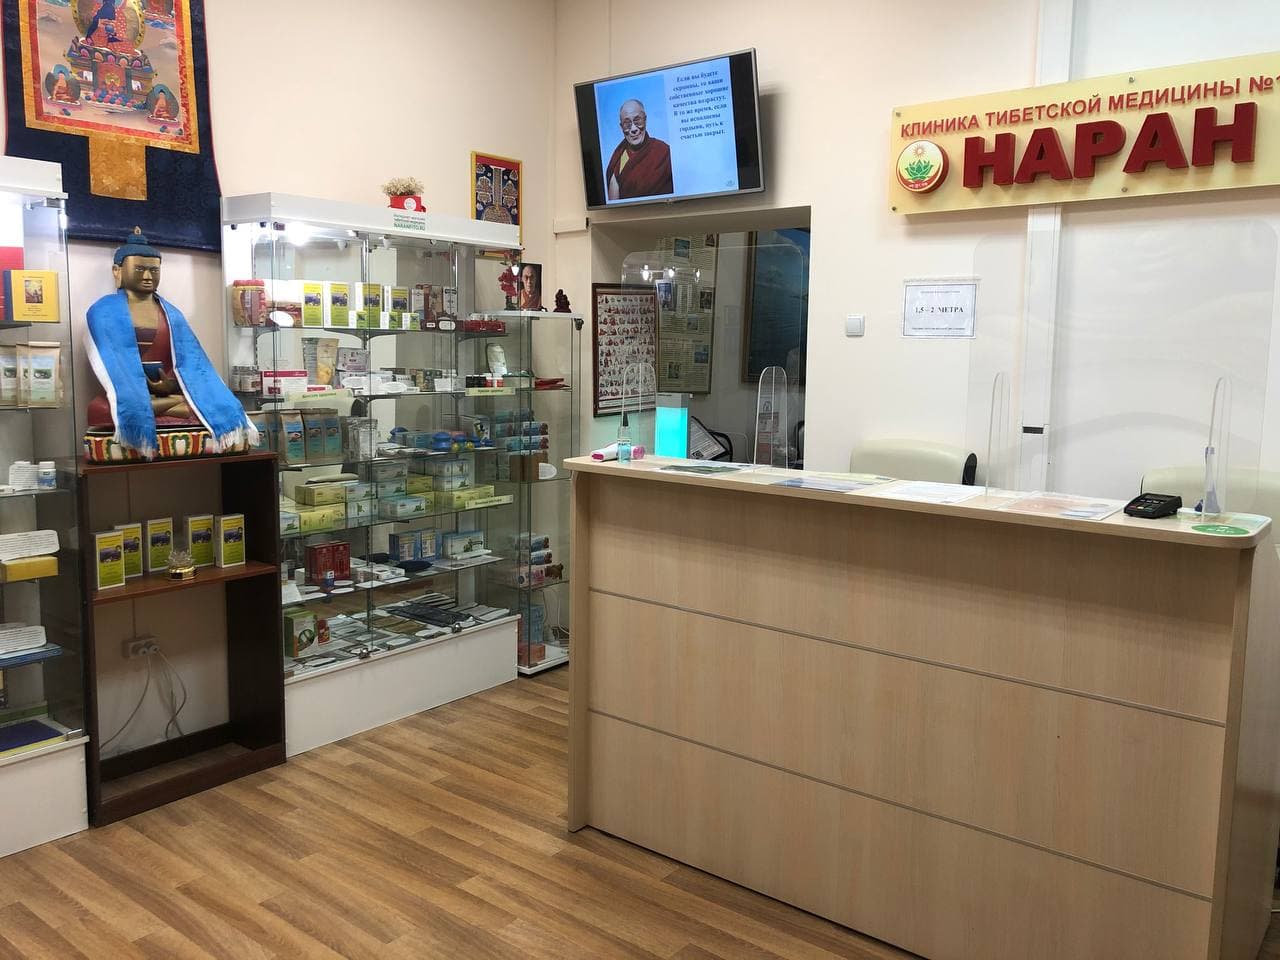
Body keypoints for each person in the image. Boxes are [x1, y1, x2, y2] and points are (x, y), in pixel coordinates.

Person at [85, 229, 257, 457]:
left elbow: (191, 365)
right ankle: (158, 409)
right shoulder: (103, 311)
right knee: (103, 409)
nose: (148, 276)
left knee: (218, 404)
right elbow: (111, 364)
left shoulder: (171, 314)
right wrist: (141, 387)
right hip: (129, 390)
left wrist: (171, 386)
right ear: (117, 271)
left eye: (154, 270)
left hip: (166, 393)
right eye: (139, 269)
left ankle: (162, 407)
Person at [605, 99, 674, 200]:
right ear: (621, 127)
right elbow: (614, 203)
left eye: (638, 121)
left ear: (645, 120)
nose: (633, 129)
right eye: (627, 124)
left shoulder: (664, 153)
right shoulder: (617, 158)